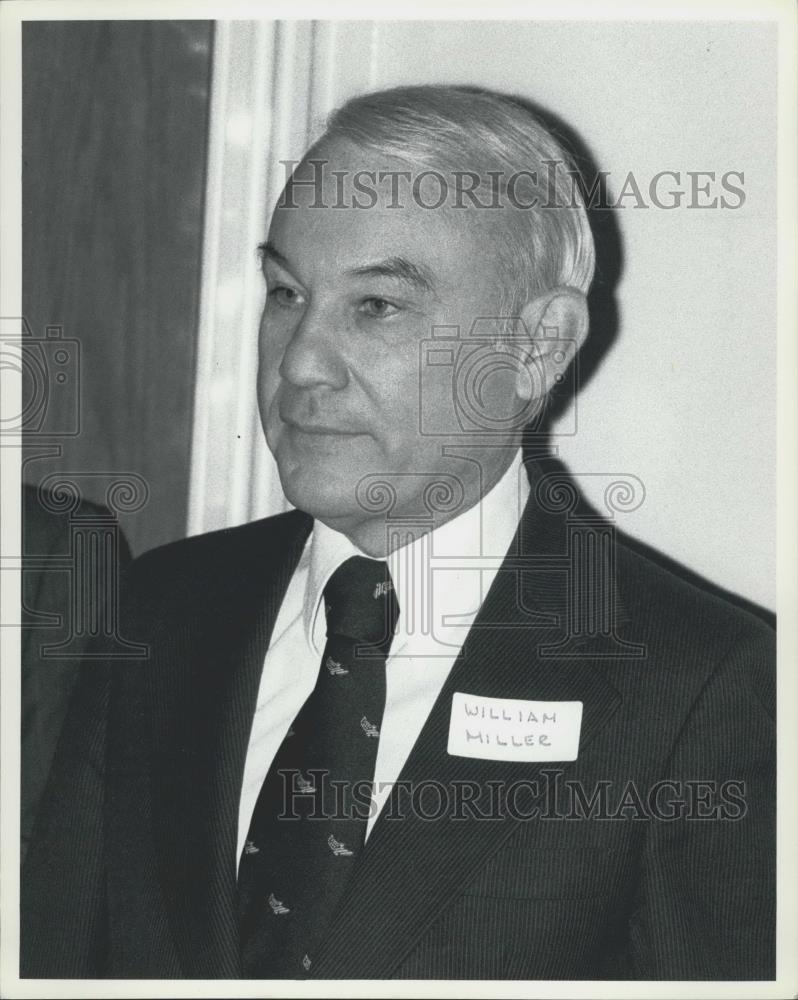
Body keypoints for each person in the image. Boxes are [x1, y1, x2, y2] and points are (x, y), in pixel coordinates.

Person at [21, 85, 775, 981]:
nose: (300, 361)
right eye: (285, 292)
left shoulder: (697, 682)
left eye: (376, 305)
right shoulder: (160, 608)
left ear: (536, 346)